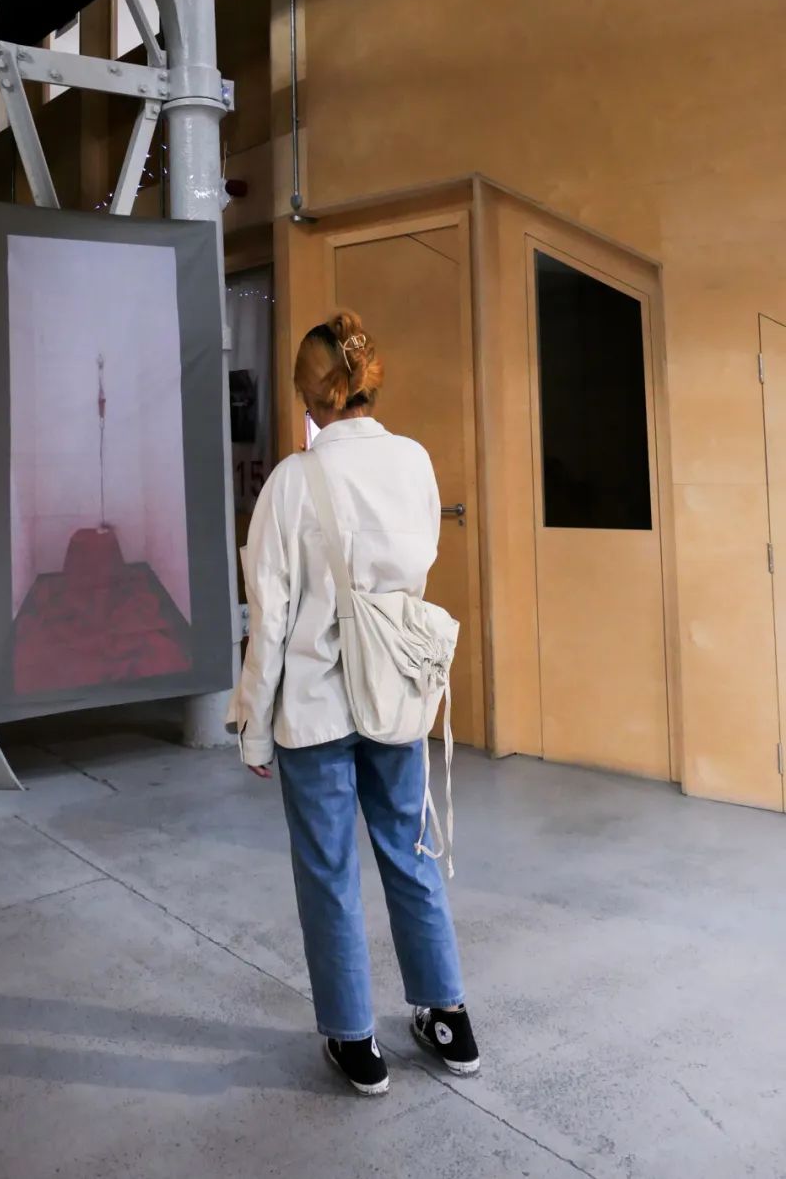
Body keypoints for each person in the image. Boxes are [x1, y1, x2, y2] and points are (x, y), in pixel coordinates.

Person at [232, 311, 478, 1096]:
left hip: (313, 709)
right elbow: (416, 565)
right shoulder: (414, 463)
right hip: (393, 693)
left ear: (309, 393)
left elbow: (270, 619)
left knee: (329, 871)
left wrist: (253, 730)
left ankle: (355, 1041)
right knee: (410, 852)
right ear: (369, 380)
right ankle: (449, 1019)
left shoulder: (292, 482)